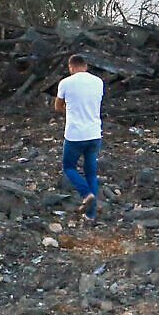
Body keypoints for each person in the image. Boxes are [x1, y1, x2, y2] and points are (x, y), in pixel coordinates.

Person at [54, 54, 104, 219]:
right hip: (94, 133)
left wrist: (68, 108)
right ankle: (91, 214)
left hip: (75, 134)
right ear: (86, 66)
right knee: (91, 172)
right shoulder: (98, 82)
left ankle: (86, 194)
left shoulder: (66, 83)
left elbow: (57, 106)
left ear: (71, 67)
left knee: (69, 167)